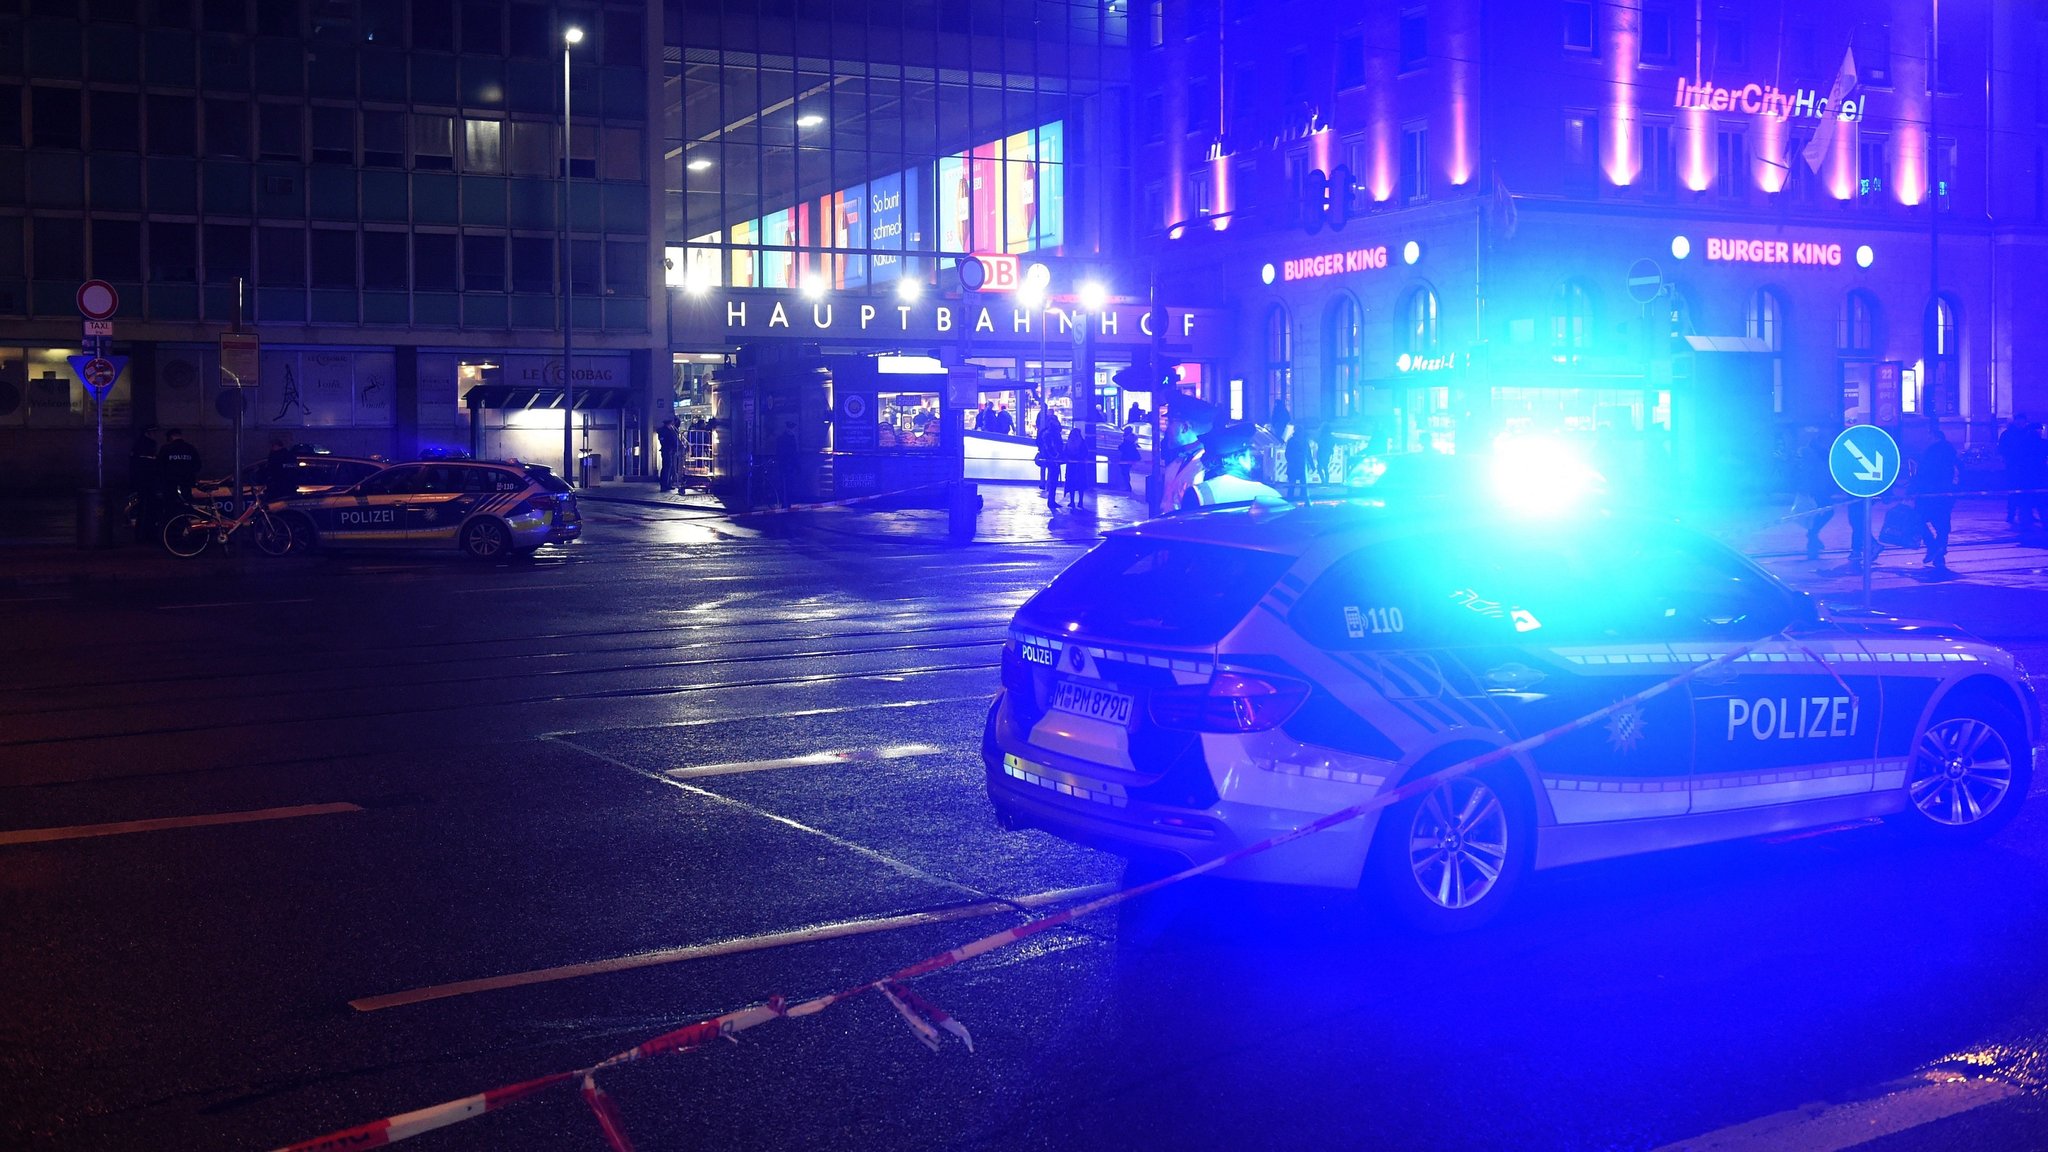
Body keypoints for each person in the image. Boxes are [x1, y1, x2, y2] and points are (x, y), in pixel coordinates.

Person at [1184, 422, 1286, 509]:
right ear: (1241, 458)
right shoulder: (1272, 495)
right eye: (1249, 453)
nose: (1253, 458)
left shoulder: (1198, 494)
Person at [1913, 414, 1959, 578]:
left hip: (1929, 494)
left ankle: (1932, 547)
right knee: (1942, 526)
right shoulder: (1951, 452)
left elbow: (1923, 474)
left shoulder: (1930, 453)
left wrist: (1913, 490)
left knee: (1918, 520)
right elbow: (1957, 473)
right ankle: (1939, 556)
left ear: (1933, 437)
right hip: (1945, 495)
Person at [1157, 395, 1216, 513]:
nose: (1166, 430)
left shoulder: (1210, 466)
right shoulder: (1179, 459)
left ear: (1185, 427)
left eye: (1169, 423)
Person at [128, 424, 160, 544]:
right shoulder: (149, 444)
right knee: (149, 508)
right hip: (148, 482)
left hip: (140, 481)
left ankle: (139, 535)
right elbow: (152, 464)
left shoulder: (137, 445)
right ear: (148, 432)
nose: (155, 434)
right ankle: (148, 535)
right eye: (153, 432)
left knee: (141, 508)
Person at [1999, 412, 2032, 525]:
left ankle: (2023, 515)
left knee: (2023, 492)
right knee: (2014, 491)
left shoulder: (2026, 434)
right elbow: (2003, 449)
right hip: (2014, 467)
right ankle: (2012, 514)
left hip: (2023, 468)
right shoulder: (2010, 434)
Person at [157, 428, 202, 508]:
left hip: (170, 485)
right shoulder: (190, 448)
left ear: (170, 437)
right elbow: (198, 466)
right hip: (186, 484)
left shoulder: (166, 449)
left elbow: (159, 467)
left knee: (171, 507)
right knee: (187, 505)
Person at [1035, 411, 1065, 511]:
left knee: (1053, 479)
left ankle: (1051, 499)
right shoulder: (1050, 434)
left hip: (1050, 458)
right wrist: (1056, 456)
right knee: (1053, 479)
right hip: (1051, 459)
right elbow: (1051, 447)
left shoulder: (1046, 432)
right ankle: (1051, 500)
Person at [1063, 426, 1091, 510]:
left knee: (1076, 484)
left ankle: (1076, 501)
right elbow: (1085, 453)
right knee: (1076, 483)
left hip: (1075, 466)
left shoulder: (1073, 443)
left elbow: (1066, 452)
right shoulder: (1080, 442)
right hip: (1077, 466)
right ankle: (1076, 501)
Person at [774, 420, 801, 508]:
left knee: (783, 484)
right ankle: (788, 502)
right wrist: (797, 466)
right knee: (789, 484)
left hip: (783, 465)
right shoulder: (791, 438)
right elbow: (793, 453)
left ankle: (784, 502)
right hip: (789, 465)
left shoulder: (780, 438)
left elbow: (778, 452)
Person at [262, 438, 297, 504]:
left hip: (278, 487)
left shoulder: (275, 456)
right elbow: (293, 470)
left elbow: (272, 470)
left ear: (275, 446)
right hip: (289, 487)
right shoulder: (290, 456)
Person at [1283, 421, 1309, 502]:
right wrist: (1291, 460)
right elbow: (1287, 453)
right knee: (1292, 483)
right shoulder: (1292, 441)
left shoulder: (1303, 440)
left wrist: (1311, 464)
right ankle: (1290, 498)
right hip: (1295, 465)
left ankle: (1303, 498)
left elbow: (1308, 453)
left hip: (1301, 465)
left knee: (1303, 484)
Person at [656, 418, 680, 492]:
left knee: (669, 468)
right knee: (666, 468)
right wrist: (670, 447)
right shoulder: (664, 431)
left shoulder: (670, 430)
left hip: (670, 451)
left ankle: (668, 484)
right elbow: (664, 441)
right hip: (667, 451)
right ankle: (664, 485)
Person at [1116, 425, 1140, 492]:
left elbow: (1123, 447)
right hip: (1128, 458)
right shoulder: (1131, 439)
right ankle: (1127, 486)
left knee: (1125, 472)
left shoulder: (1127, 440)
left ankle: (1127, 487)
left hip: (1126, 458)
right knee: (1125, 472)